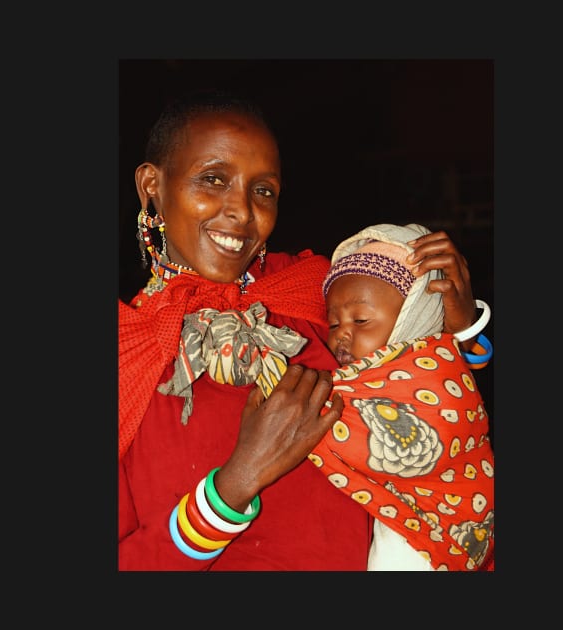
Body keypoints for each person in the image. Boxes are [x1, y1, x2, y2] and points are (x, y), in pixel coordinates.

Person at [118, 88, 490, 570]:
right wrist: (234, 484)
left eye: (263, 190)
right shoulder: (124, 350)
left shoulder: (319, 292)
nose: (242, 211)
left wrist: (460, 323)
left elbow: (433, 393)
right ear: (152, 185)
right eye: (213, 179)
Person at [308, 222, 494, 571]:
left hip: (432, 540)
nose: (341, 335)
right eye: (333, 324)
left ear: (412, 318)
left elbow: (338, 432)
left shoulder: (432, 374)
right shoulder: (370, 376)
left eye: (361, 320)